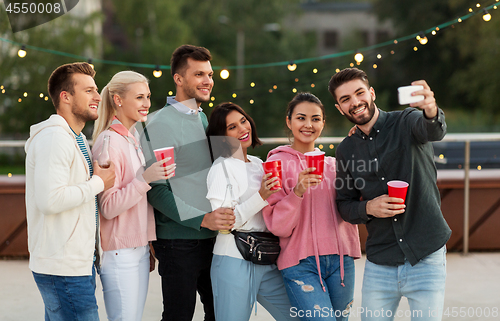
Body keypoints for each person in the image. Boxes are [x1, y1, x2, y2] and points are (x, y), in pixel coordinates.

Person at [329, 68, 451, 321]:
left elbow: (433, 131)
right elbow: (344, 205)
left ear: (371, 93)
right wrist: (368, 208)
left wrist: (430, 108)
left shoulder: (406, 121)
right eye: (345, 99)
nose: (355, 102)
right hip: (380, 262)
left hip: (426, 253)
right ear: (339, 108)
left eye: (359, 93)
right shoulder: (346, 150)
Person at [140, 44, 234, 321]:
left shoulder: (205, 119)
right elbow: (156, 191)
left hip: (213, 239)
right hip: (178, 242)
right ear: (179, 79)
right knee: (178, 316)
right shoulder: (157, 124)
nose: (208, 81)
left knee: (220, 312)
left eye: (210, 74)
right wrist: (202, 219)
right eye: (199, 74)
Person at [25, 62, 116, 320]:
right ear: (65, 97)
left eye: (96, 90)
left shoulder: (75, 138)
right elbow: (49, 200)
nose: (98, 97)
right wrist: (99, 183)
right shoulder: (54, 138)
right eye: (89, 91)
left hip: (75, 264)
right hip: (63, 268)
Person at [262, 93, 362, 321]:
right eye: (301, 118)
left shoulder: (336, 165)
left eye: (315, 119)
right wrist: (297, 191)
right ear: (289, 121)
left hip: (341, 261)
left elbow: (355, 207)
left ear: (323, 124)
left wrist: (358, 150)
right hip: (299, 264)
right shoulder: (275, 164)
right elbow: (278, 226)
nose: (308, 125)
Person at [91, 71, 176, 321]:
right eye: (139, 97)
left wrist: (147, 242)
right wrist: (145, 178)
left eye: (148, 96)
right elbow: (107, 206)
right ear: (118, 100)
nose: (147, 103)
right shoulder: (109, 142)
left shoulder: (133, 139)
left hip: (137, 250)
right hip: (120, 254)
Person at [205, 102, 295, 321]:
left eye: (243, 121)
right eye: (232, 127)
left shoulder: (257, 163)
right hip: (233, 261)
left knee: (297, 315)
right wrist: (261, 196)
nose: (242, 129)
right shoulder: (220, 168)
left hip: (266, 257)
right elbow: (226, 223)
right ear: (222, 136)